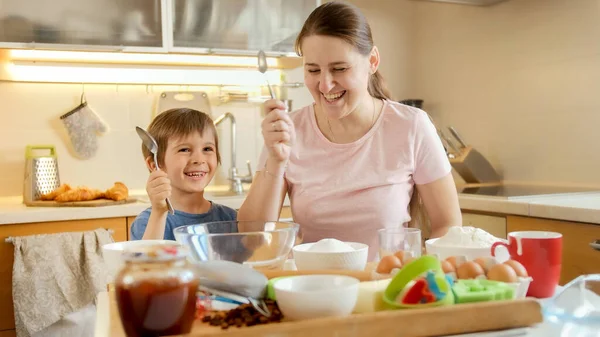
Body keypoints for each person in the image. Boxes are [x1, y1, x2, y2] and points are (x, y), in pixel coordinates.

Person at [237, 1, 462, 261]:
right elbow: (251, 238)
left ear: (372, 61)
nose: (325, 84)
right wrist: (275, 163)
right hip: (313, 288)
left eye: (339, 68)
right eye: (313, 70)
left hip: (386, 286)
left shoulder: (411, 126)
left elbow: (448, 225)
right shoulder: (287, 132)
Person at [130, 108, 237, 241]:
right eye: (184, 149)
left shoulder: (230, 218)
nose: (199, 159)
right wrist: (159, 213)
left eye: (207, 149)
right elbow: (146, 261)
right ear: (154, 164)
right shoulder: (147, 223)